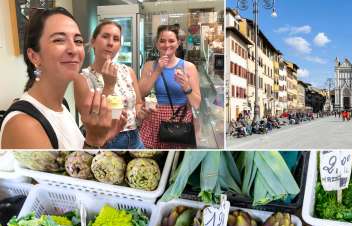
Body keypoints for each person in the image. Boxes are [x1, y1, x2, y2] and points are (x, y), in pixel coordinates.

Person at [0, 7, 125, 149]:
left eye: (78, 41)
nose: (73, 50)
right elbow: (72, 170)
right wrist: (94, 141)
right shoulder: (23, 125)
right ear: (34, 56)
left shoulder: (61, 105)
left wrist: (102, 137)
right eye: (59, 40)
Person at [75, 20, 145, 149]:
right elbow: (90, 120)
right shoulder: (82, 79)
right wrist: (108, 86)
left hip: (135, 137)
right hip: (107, 141)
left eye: (116, 39)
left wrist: (142, 112)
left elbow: (138, 104)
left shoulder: (128, 71)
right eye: (105, 36)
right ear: (93, 41)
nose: (110, 43)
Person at [139, 25, 201, 148]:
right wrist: (158, 70)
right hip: (154, 119)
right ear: (157, 44)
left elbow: (197, 104)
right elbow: (140, 94)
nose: (167, 45)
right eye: (162, 41)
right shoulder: (149, 66)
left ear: (178, 43)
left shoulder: (188, 67)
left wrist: (186, 86)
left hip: (180, 122)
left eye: (171, 41)